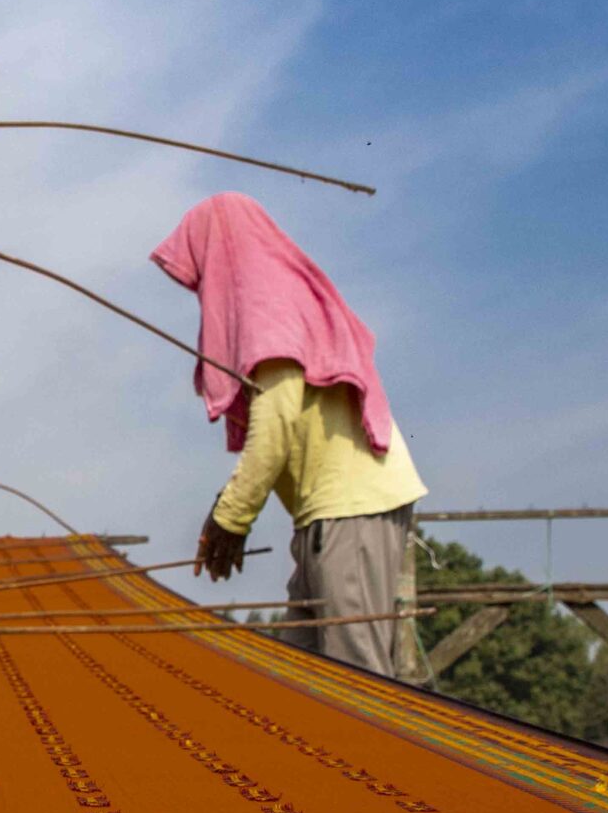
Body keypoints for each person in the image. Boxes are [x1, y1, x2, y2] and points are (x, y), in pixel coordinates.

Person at [153, 192, 426, 678]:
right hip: (329, 514)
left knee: (357, 680)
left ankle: (375, 757)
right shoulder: (274, 299)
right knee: (303, 675)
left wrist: (230, 519)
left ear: (226, 256)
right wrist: (228, 510)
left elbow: (273, 429)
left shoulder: (268, 306)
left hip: (351, 507)